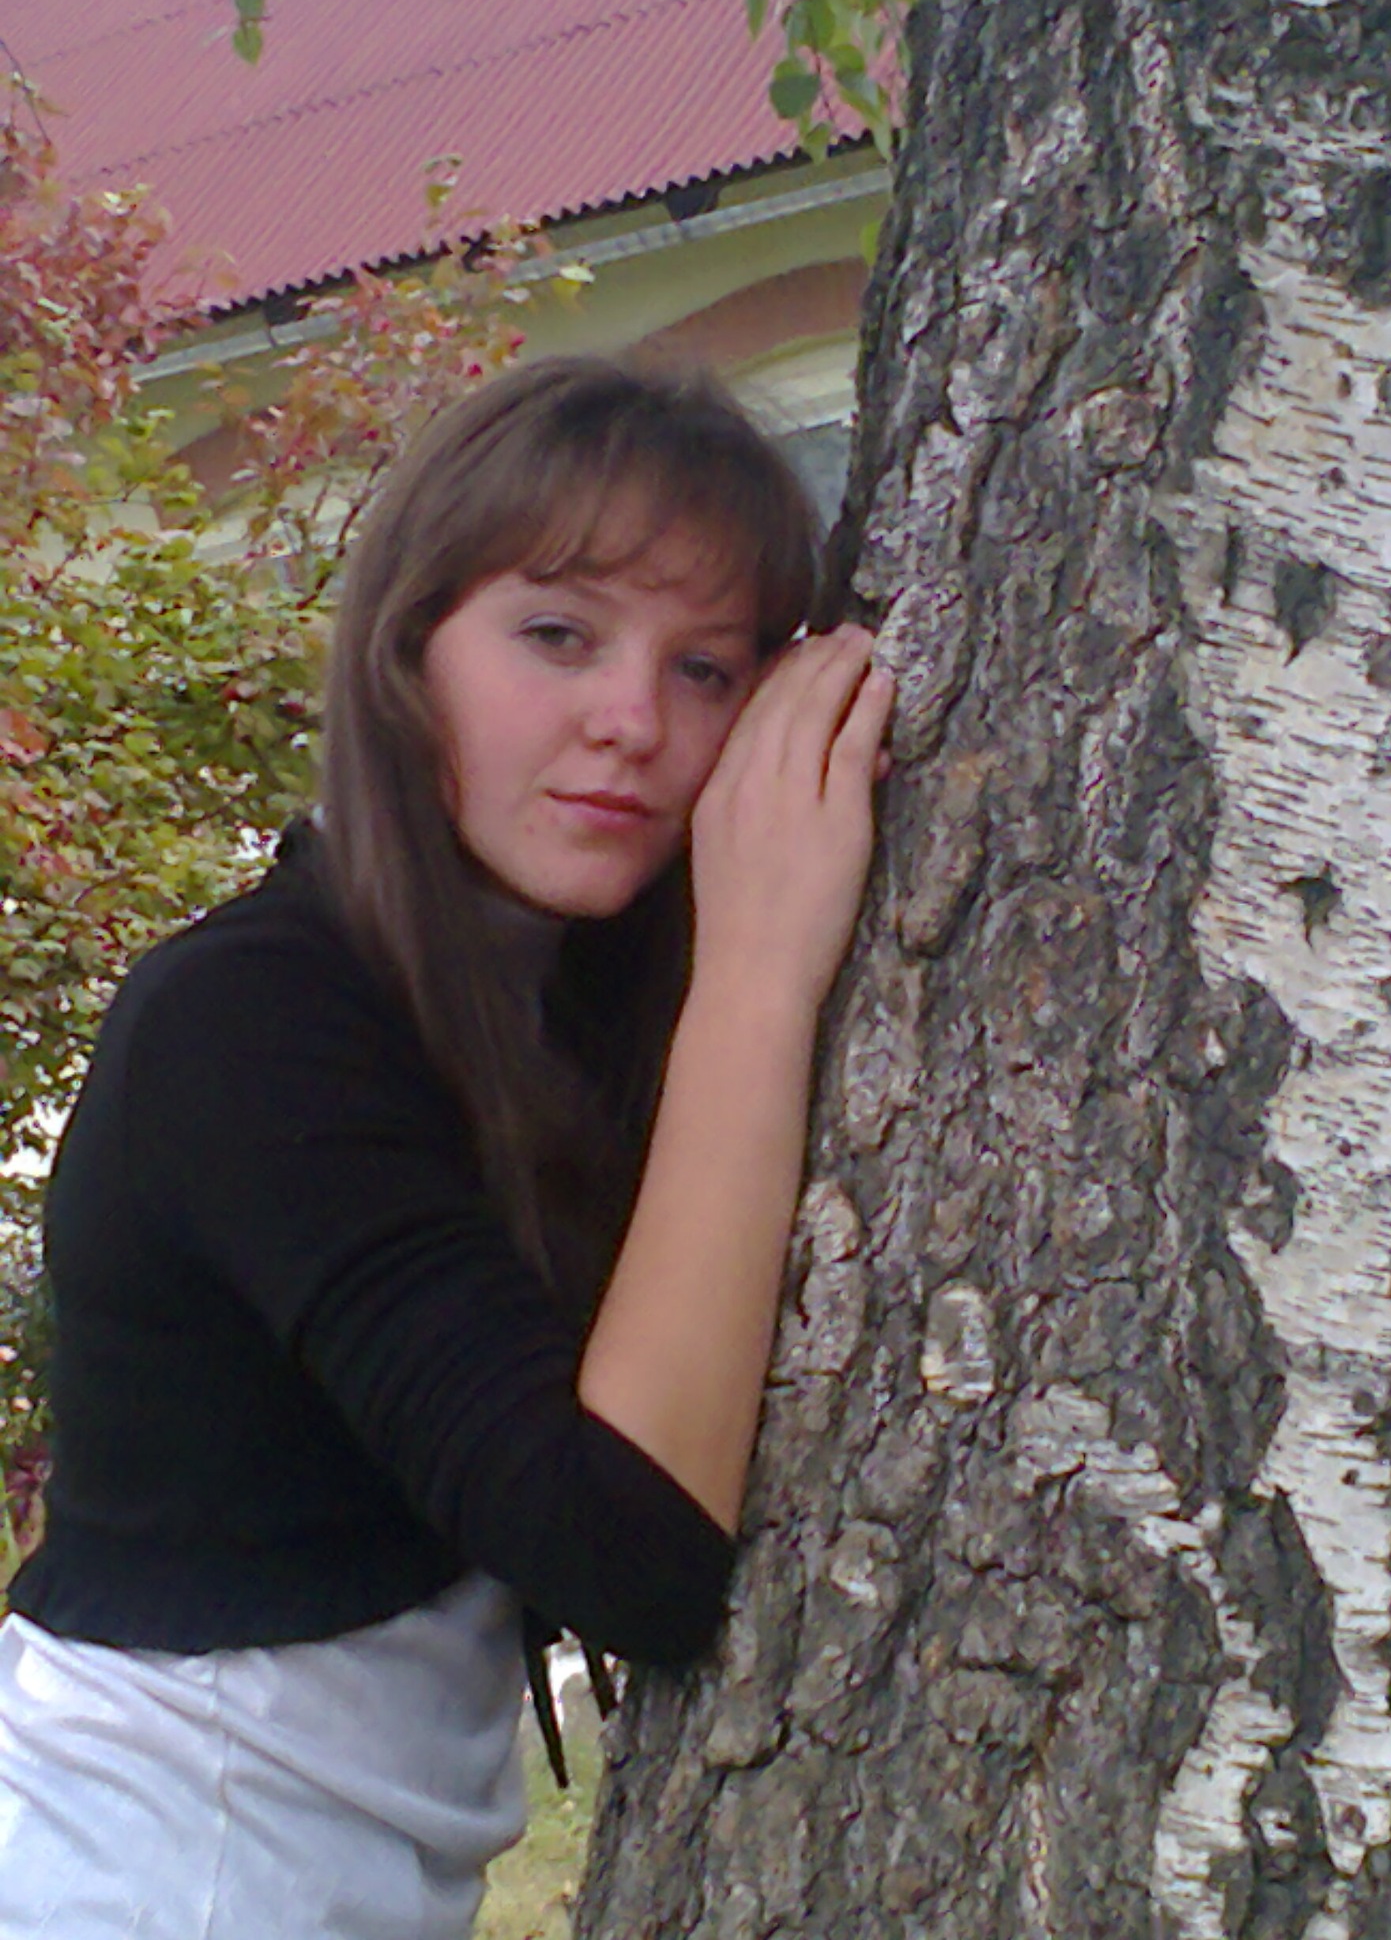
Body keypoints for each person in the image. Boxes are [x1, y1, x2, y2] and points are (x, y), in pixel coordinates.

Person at [0, 356, 894, 1939]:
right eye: (558, 634)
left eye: (707, 669)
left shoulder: (552, 1003)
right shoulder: (250, 1022)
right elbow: (627, 1551)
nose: (632, 720)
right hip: (159, 1877)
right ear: (408, 651)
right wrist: (761, 970)